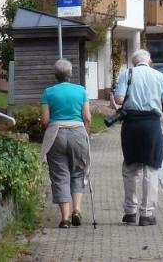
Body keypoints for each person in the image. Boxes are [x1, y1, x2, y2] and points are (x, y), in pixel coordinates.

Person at [112, 49, 163, 226]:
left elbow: (118, 99)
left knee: (131, 167)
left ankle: (130, 212)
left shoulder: (127, 74)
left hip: (131, 125)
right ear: (149, 61)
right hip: (151, 125)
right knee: (151, 168)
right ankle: (146, 214)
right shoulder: (159, 76)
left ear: (133, 62)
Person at [40, 58, 92, 228]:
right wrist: (83, 130)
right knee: (78, 172)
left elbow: (45, 120)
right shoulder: (81, 91)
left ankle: (65, 218)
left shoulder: (48, 92)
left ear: (55, 75)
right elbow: (88, 117)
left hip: (56, 134)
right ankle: (77, 209)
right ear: (70, 74)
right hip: (78, 132)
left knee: (60, 175)